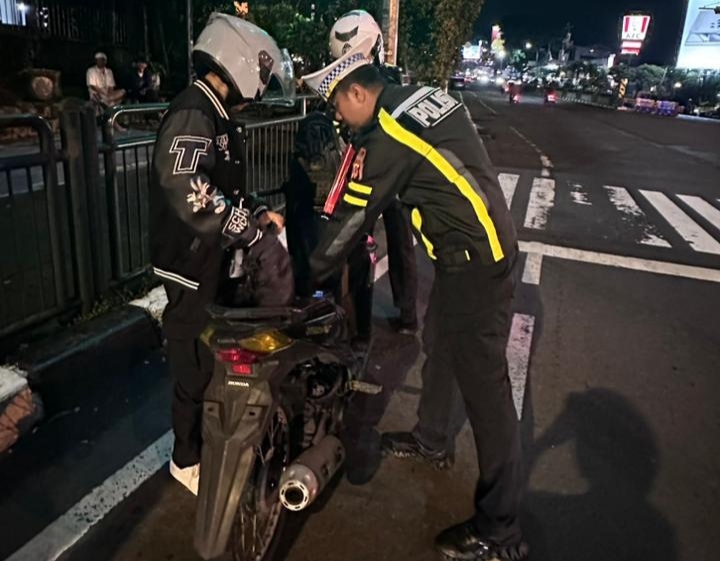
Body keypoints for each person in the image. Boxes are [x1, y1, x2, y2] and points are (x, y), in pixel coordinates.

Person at [302, 41, 527, 560]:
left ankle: (501, 530)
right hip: (467, 251)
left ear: (358, 93)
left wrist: (303, 276)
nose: (338, 118)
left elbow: (353, 222)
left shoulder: (390, 134)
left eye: (338, 105)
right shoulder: (420, 96)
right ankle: (432, 440)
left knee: (488, 394)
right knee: (441, 347)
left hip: (477, 261)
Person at [149, 13, 295, 496]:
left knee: (214, 357)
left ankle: (211, 443)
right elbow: (188, 187)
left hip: (209, 258)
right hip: (189, 262)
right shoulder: (195, 110)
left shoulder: (217, 115)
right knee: (192, 366)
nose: (261, 87)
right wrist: (245, 231)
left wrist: (255, 211)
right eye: (261, 73)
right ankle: (185, 458)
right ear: (238, 61)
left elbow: (223, 188)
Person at [328, 10, 418, 333]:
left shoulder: (387, 80)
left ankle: (404, 313)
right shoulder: (364, 81)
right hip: (363, 165)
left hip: (387, 171)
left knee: (395, 239)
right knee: (355, 238)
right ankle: (352, 318)